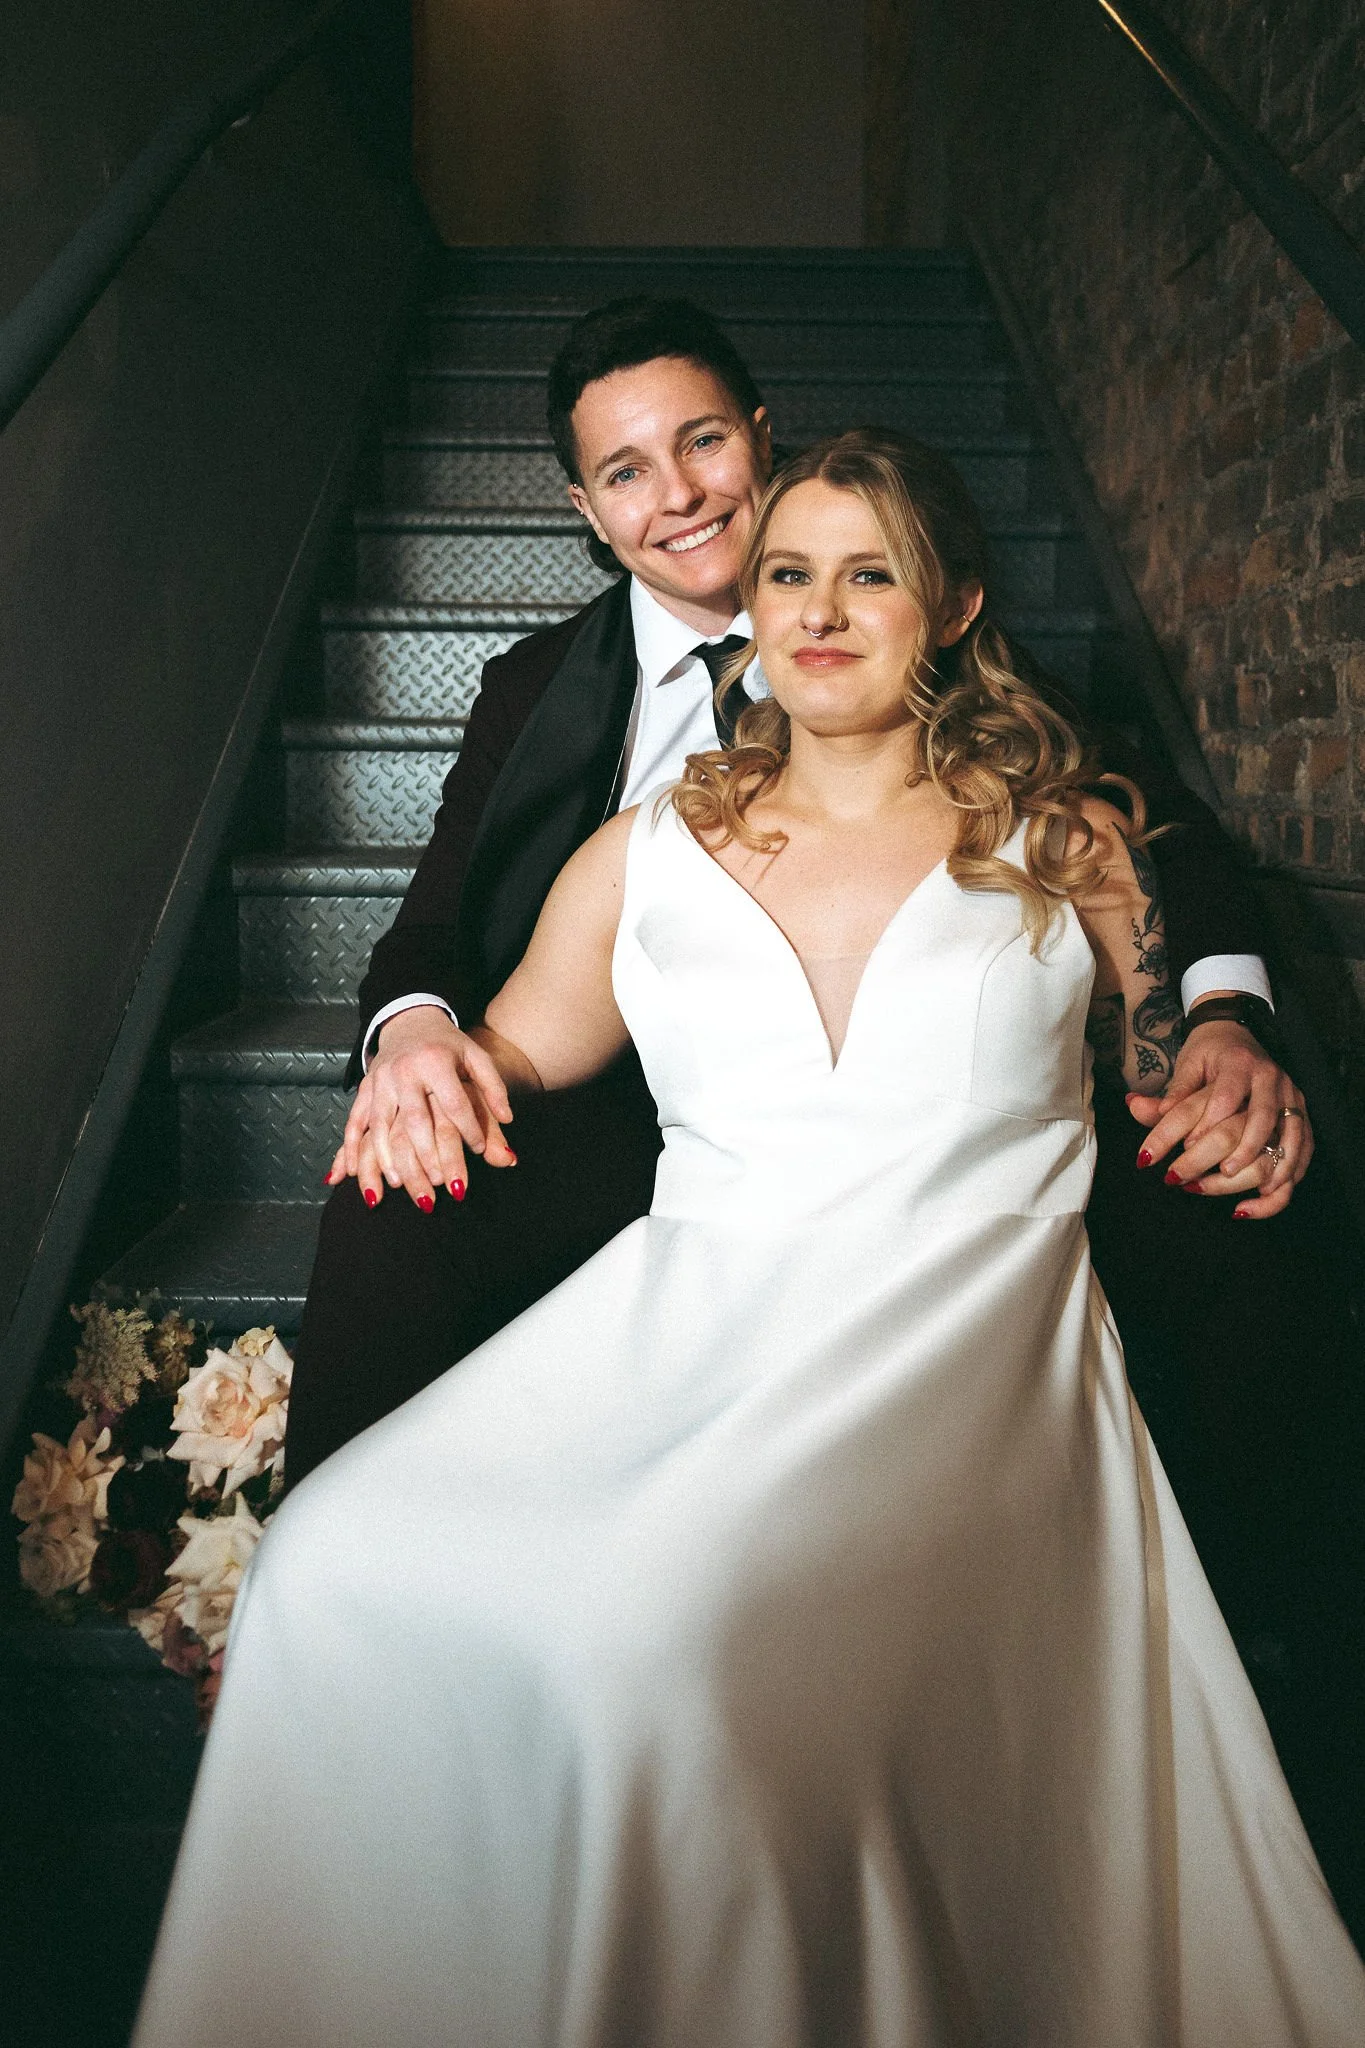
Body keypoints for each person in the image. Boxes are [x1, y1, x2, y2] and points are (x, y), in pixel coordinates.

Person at [134, 434, 1361, 2046]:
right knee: (332, 1560)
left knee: (672, 1642)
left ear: (958, 606)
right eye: (791, 573)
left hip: (961, 1336)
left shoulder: (1063, 838)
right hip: (686, 1316)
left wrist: (1223, 1040)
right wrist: (425, 1051)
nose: (823, 610)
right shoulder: (643, 853)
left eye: (873, 574)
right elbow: (506, 1054)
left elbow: (1180, 1018)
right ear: (752, 608)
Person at [281, 297, 1310, 1493]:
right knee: (391, 1185)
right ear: (586, 511)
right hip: (630, 1114)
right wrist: (416, 1037)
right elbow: (437, 918)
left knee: (1235, 1184)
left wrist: (1224, 1015)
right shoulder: (535, 692)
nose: (678, 493)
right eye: (626, 470)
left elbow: (1145, 836)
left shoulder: (932, 651)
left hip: (947, 1139)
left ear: (763, 440)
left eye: (703, 441)